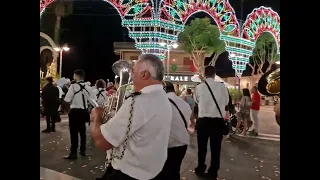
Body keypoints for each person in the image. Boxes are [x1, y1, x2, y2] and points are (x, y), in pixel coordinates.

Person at [91, 54, 172, 180]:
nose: (130, 77)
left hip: (128, 173)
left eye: (133, 71)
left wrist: (98, 116)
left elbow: (101, 142)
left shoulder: (139, 101)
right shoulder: (161, 97)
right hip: (150, 171)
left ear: (144, 75)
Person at [194, 66, 229, 179]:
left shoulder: (199, 87)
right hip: (217, 122)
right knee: (216, 149)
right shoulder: (222, 87)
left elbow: (197, 100)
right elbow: (226, 102)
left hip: (203, 121)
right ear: (214, 75)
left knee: (202, 147)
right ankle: (213, 171)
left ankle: (200, 168)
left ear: (204, 74)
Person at [161, 81, 195, 180]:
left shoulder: (162, 103)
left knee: (163, 172)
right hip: (182, 143)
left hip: (168, 143)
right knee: (175, 170)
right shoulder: (184, 104)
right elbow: (189, 122)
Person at [63, 69, 96, 159]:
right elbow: (93, 100)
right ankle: (83, 150)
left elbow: (67, 99)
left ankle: (73, 153)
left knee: (73, 133)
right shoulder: (89, 87)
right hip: (83, 112)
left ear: (77, 76)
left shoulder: (73, 86)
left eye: (74, 75)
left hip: (74, 112)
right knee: (82, 132)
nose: (73, 77)